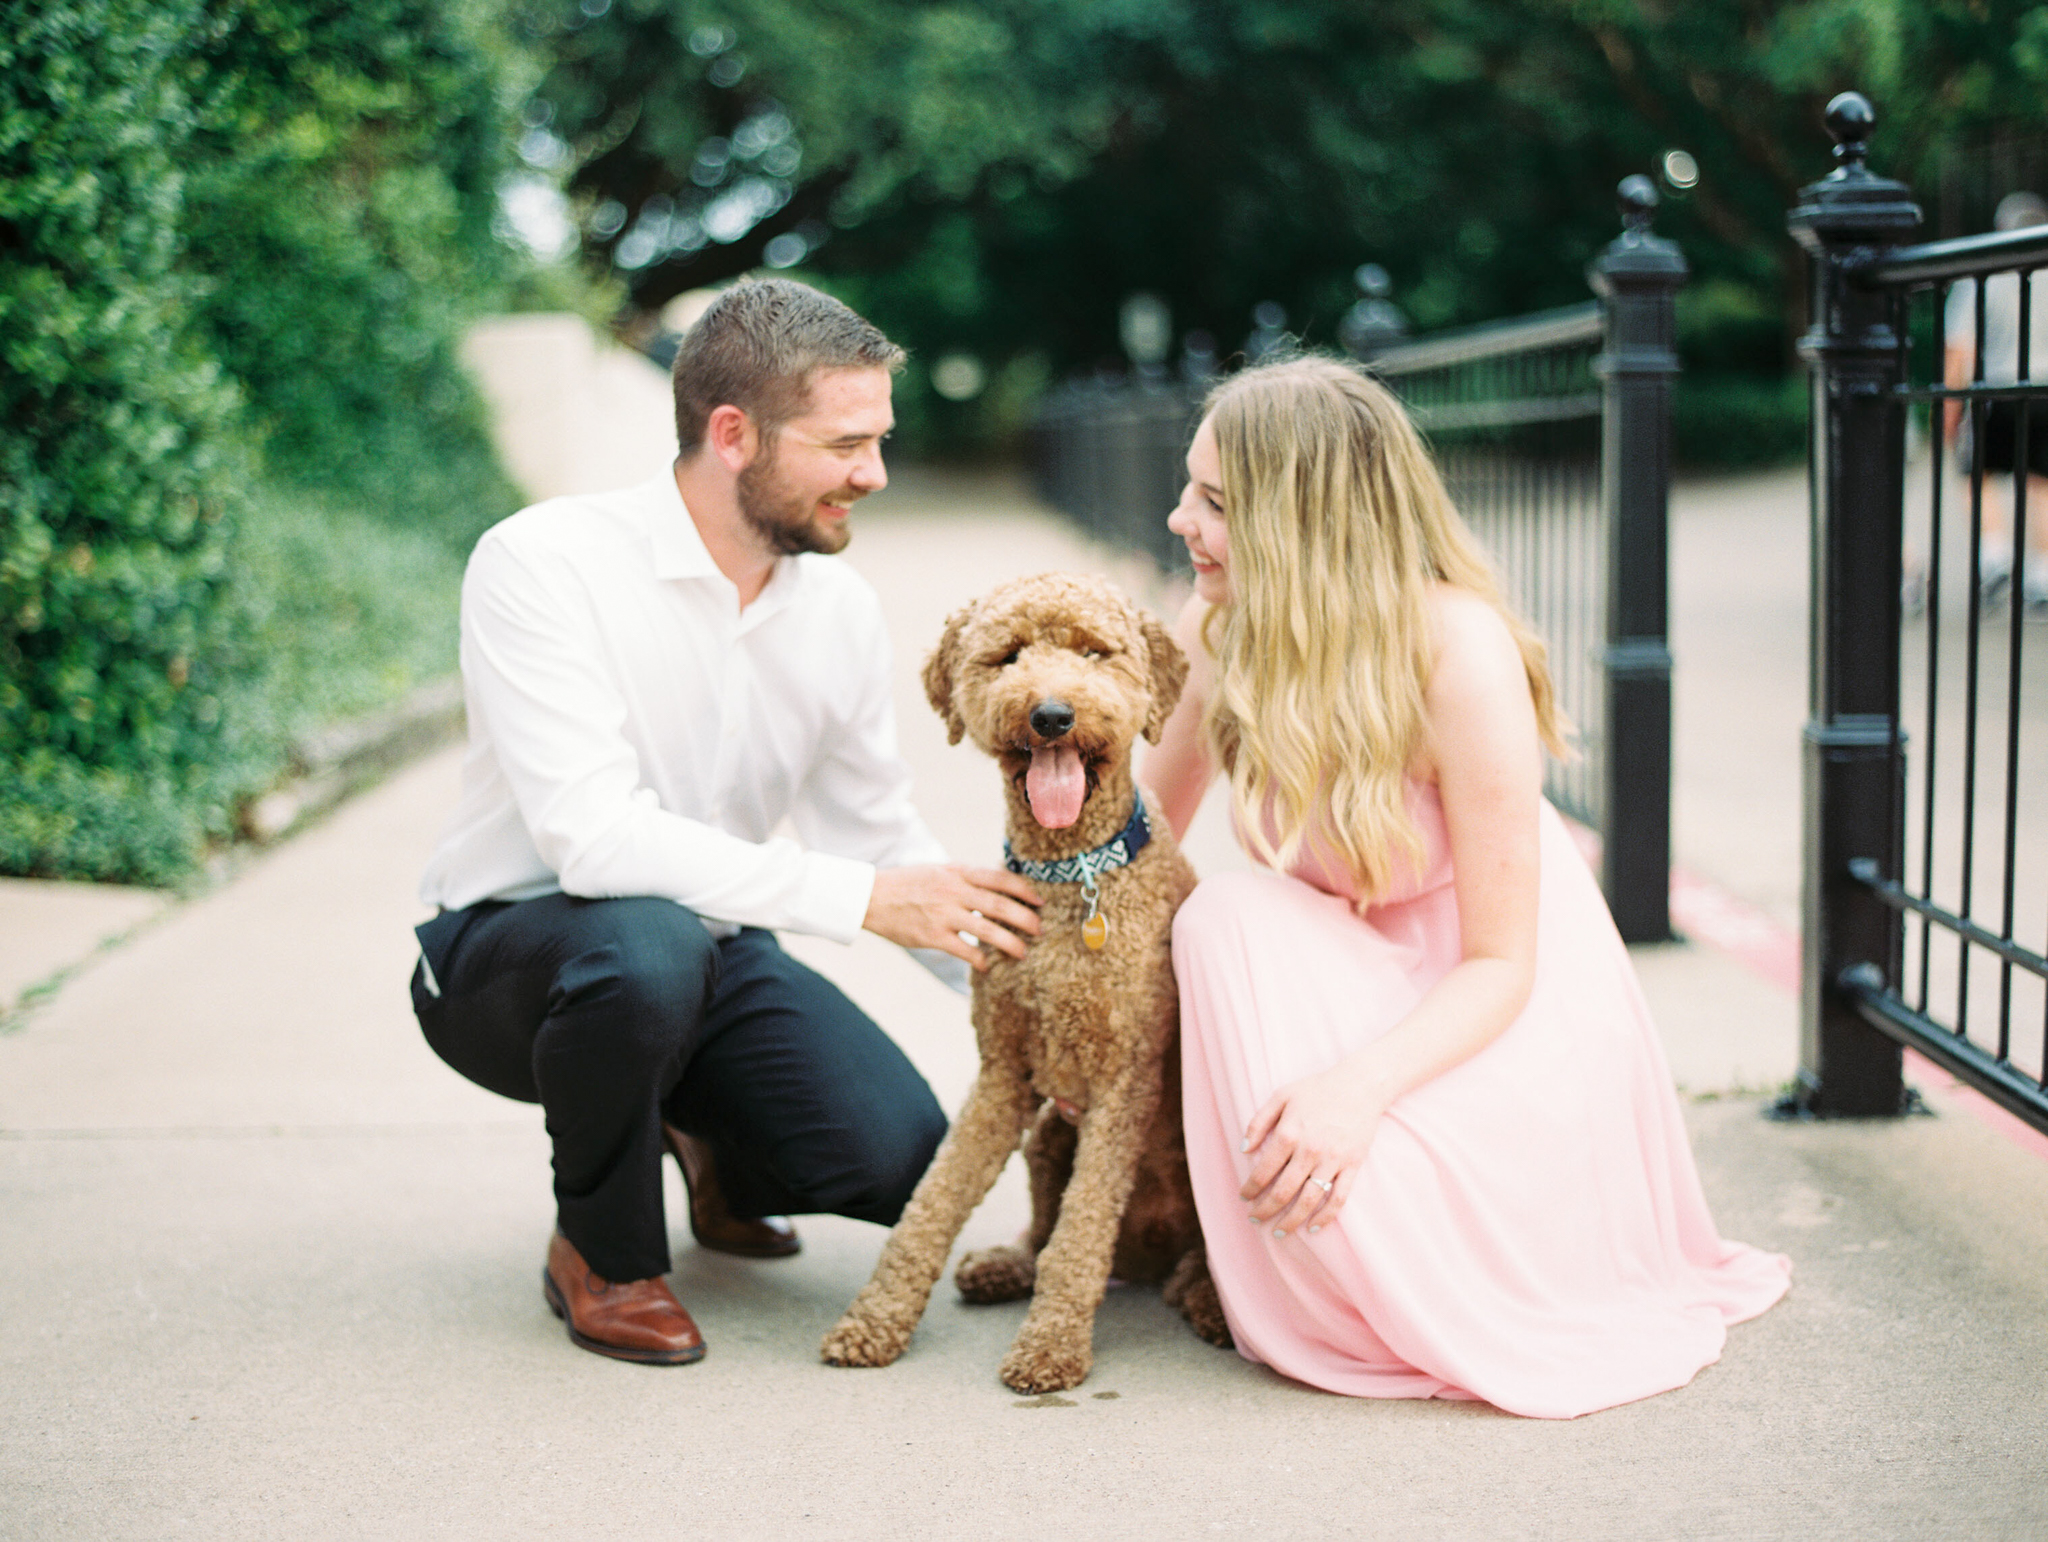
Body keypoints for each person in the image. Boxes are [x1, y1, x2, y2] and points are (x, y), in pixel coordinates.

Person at [409, 278, 1042, 1365]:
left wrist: (1020, 983)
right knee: (640, 944)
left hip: (704, 954)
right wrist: (859, 901)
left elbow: (874, 837)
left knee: (899, 1161)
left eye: (879, 441)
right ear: (733, 434)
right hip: (506, 960)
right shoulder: (541, 564)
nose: (873, 475)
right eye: (845, 443)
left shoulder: (834, 608)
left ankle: (699, 1137)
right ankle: (603, 1255)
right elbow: (592, 841)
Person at [1145, 356, 1791, 1419]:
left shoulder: (1454, 647)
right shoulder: (1213, 628)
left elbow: (1503, 964)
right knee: (1217, 914)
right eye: (1187, 488)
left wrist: (1354, 1091)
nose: (1178, 520)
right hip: (1343, 959)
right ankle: (1292, 1253)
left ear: (1300, 517)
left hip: (1488, 1000)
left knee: (1358, 1212)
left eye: (1212, 503)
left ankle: (1357, 1251)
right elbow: (1133, 842)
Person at [1944, 190, 2048, 612]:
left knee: (1978, 473)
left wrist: (1950, 408)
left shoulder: (1982, 273)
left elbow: (1961, 350)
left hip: (1998, 389)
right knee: (2042, 481)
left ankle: (1996, 556)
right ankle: (2042, 576)